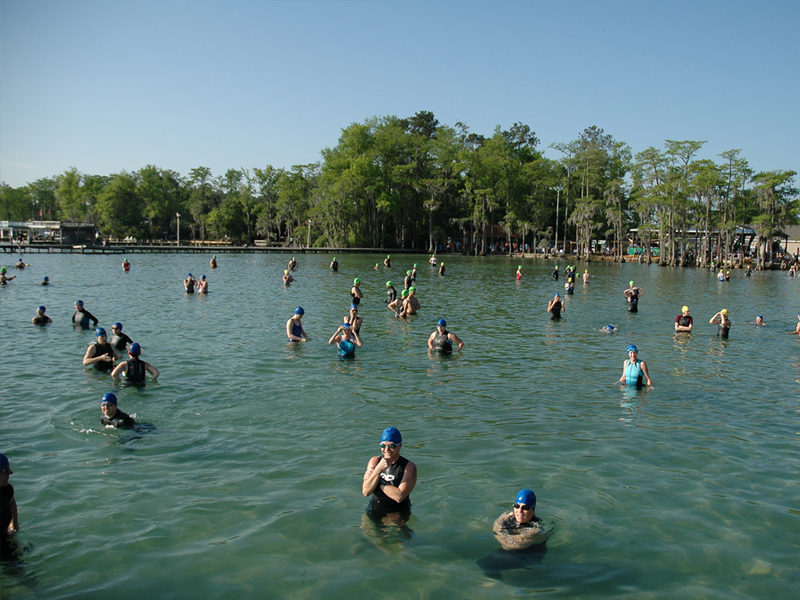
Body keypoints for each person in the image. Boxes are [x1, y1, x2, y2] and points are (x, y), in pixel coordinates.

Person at [362, 427, 416, 526]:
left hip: (398, 512)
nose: (386, 450)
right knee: (370, 536)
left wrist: (378, 481)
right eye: (383, 445)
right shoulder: (375, 461)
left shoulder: (408, 467)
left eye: (391, 446)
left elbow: (399, 496)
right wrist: (378, 469)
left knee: (400, 540)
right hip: (375, 507)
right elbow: (366, 491)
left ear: (399, 446)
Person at [0, 453, 20, 553]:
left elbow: (11, 503)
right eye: (5, 470)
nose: (11, 473)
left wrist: (14, 525)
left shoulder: (6, 490)